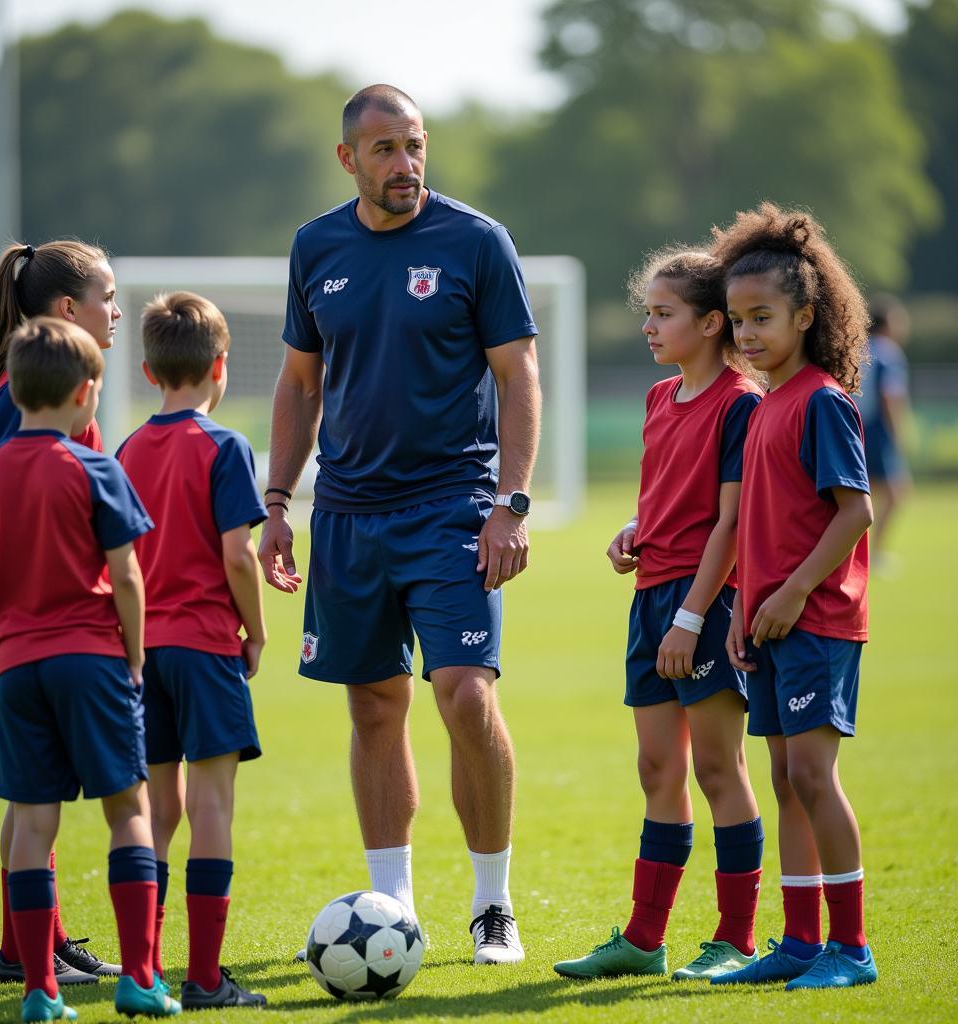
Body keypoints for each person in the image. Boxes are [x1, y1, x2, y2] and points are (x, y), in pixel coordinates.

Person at [258, 84, 541, 964]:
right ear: (349, 160)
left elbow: (519, 374)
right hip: (347, 512)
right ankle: (393, 906)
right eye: (384, 149)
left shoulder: (474, 240)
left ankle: (493, 906)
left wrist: (512, 503)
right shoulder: (316, 245)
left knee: (465, 693)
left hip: (454, 504)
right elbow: (301, 383)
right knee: (376, 706)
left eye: (414, 145)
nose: (405, 163)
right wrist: (275, 502)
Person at [0, 318, 180, 1021]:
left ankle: (39, 992)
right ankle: (140, 978)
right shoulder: (96, 470)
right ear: (86, 394)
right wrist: (136, 655)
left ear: (13, 392)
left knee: (32, 823)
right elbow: (128, 576)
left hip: (14, 667)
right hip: (92, 660)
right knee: (128, 811)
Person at [554, 249, 765, 983]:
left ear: (711, 323)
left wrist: (692, 615)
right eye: (647, 311)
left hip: (703, 604)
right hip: (651, 598)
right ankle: (644, 941)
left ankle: (736, 940)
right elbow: (668, 496)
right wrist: (633, 526)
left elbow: (733, 525)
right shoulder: (656, 398)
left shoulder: (742, 403)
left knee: (716, 766)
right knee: (656, 768)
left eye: (663, 312)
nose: (648, 324)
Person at [710, 202, 877, 990]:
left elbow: (855, 511)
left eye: (763, 317)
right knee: (782, 781)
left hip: (819, 622)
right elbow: (755, 528)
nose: (746, 334)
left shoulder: (820, 400)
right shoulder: (764, 403)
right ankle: (802, 940)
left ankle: (853, 948)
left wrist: (793, 595)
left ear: (806, 316)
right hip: (770, 625)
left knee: (813, 777)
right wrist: (747, 609)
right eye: (737, 319)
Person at [0, 240, 124, 987]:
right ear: (69, 309)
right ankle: (27, 948)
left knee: (39, 794)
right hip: (31, 628)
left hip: (25, 628)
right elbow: (0, 514)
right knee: (39, 795)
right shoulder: (23, 401)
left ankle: (35, 942)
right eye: (107, 296)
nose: (117, 312)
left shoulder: (44, 390)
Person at [116, 292, 268, 1009]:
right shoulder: (225, 448)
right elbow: (238, 556)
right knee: (212, 805)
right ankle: (206, 979)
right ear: (220, 366)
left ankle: (140, 970)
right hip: (206, 648)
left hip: (141, 653)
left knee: (152, 809)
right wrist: (258, 631)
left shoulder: (125, 450)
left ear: (148, 371)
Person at [852, 294, 912, 571]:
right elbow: (890, 396)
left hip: (852, 428)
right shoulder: (888, 352)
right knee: (896, 493)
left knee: (858, 496)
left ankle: (857, 555)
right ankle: (873, 555)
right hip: (876, 430)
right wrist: (899, 432)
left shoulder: (858, 348)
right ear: (887, 323)